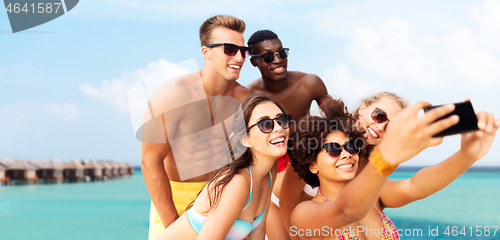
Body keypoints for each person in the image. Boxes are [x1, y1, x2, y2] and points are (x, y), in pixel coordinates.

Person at [288, 97, 500, 239]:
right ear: (312, 164)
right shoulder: (304, 214)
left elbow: (415, 186)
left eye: (351, 146)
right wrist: (386, 157)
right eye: (333, 149)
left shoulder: (373, 196)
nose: (346, 153)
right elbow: (346, 210)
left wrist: (467, 155)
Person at [141, 15, 252, 240]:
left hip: (223, 196)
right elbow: (150, 161)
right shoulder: (172, 95)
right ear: (206, 52)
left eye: (244, 50)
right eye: (230, 49)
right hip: (175, 198)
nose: (239, 57)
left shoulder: (246, 99)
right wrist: (172, 223)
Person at [154, 93, 291, 240]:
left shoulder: (269, 172)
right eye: (265, 124)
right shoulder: (238, 183)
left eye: (282, 120)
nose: (278, 128)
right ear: (245, 139)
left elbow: (258, 231)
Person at [280, 92, 407, 239]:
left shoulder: (371, 162)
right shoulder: (319, 137)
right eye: (379, 115)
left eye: (391, 127)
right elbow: (286, 202)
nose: (380, 127)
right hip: (283, 208)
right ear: (362, 109)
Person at [247, 29, 329, 240]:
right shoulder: (248, 96)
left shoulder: (309, 84)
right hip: (269, 170)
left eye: (282, 53)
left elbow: (339, 120)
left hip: (305, 164)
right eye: (268, 57)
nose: (278, 60)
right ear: (254, 62)